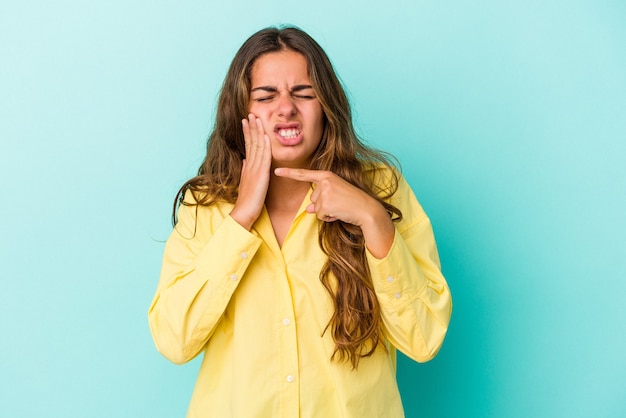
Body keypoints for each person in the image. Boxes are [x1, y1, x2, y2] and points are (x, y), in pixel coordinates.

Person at [148, 25, 452, 418]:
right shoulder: (206, 205)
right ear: (242, 110)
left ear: (326, 107)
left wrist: (373, 218)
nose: (286, 108)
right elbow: (175, 340)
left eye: (304, 93)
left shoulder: (381, 188)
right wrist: (240, 218)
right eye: (266, 95)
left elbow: (424, 338)